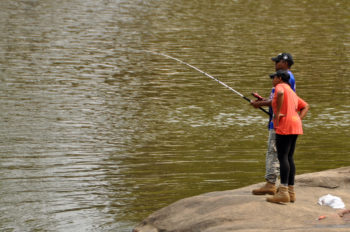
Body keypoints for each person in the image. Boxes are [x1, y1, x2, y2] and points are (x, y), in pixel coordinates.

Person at [251, 53, 295, 195]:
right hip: (287, 122)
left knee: (273, 152)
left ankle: (271, 183)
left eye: (277, 62)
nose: (275, 64)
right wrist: (264, 100)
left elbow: (279, 98)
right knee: (283, 155)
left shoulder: (284, 80)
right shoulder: (285, 79)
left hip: (278, 123)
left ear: (285, 62)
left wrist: (260, 104)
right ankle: (287, 188)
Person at [266, 70, 309, 203]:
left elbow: (279, 93)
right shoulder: (291, 91)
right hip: (295, 125)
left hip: (284, 125)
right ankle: (291, 191)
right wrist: (297, 119)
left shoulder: (280, 87)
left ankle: (283, 191)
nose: (272, 80)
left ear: (279, 78)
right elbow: (306, 106)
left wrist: (278, 112)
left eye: (274, 78)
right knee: (289, 157)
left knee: (282, 156)